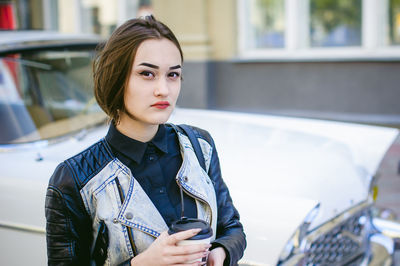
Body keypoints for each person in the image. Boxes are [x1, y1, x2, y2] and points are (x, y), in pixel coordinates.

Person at [45, 15, 246, 266]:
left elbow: (232, 227)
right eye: (147, 74)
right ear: (116, 78)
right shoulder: (73, 179)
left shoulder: (199, 145)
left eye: (173, 75)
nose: (163, 89)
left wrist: (221, 252)